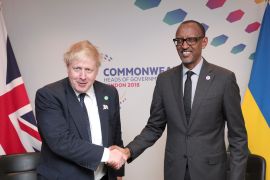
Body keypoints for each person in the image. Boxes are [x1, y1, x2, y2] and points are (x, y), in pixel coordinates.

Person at [113, 20, 248, 180]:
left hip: (211, 173)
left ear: (204, 42)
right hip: (175, 172)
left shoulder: (224, 79)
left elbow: (238, 136)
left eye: (191, 39)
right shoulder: (164, 80)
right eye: (179, 40)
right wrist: (128, 151)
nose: (184, 46)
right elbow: (154, 127)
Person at [35, 40, 127, 180]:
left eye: (89, 70)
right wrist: (107, 155)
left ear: (97, 70)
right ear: (68, 67)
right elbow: (60, 141)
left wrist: (118, 173)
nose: (83, 77)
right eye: (77, 68)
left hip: (103, 177)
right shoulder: (48, 95)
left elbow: (115, 135)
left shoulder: (109, 92)